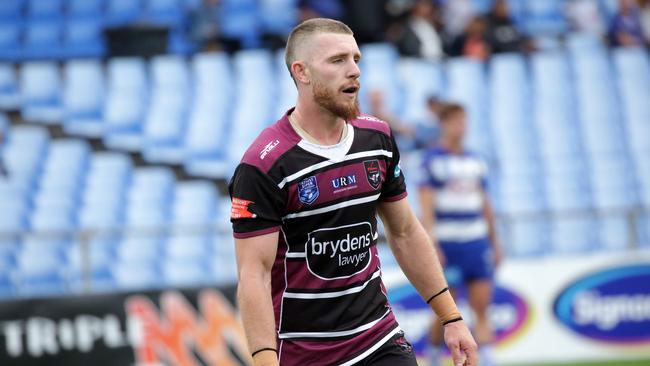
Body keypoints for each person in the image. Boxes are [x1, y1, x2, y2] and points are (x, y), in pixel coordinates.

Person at [229, 18, 478, 366]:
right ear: (302, 72)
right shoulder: (264, 165)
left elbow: (405, 231)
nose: (354, 71)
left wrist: (451, 318)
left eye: (356, 59)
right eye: (337, 60)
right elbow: (253, 275)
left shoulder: (376, 140)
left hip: (380, 340)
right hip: (304, 355)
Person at [418, 103, 502, 366]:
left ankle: (486, 360)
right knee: (447, 311)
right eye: (456, 121)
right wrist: (433, 244)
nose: (461, 127)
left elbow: (485, 203)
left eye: (464, 121)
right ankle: (432, 357)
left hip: (476, 242)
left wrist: (495, 241)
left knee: (482, 306)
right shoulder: (432, 160)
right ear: (444, 124)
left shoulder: (476, 160)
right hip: (449, 244)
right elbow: (426, 206)